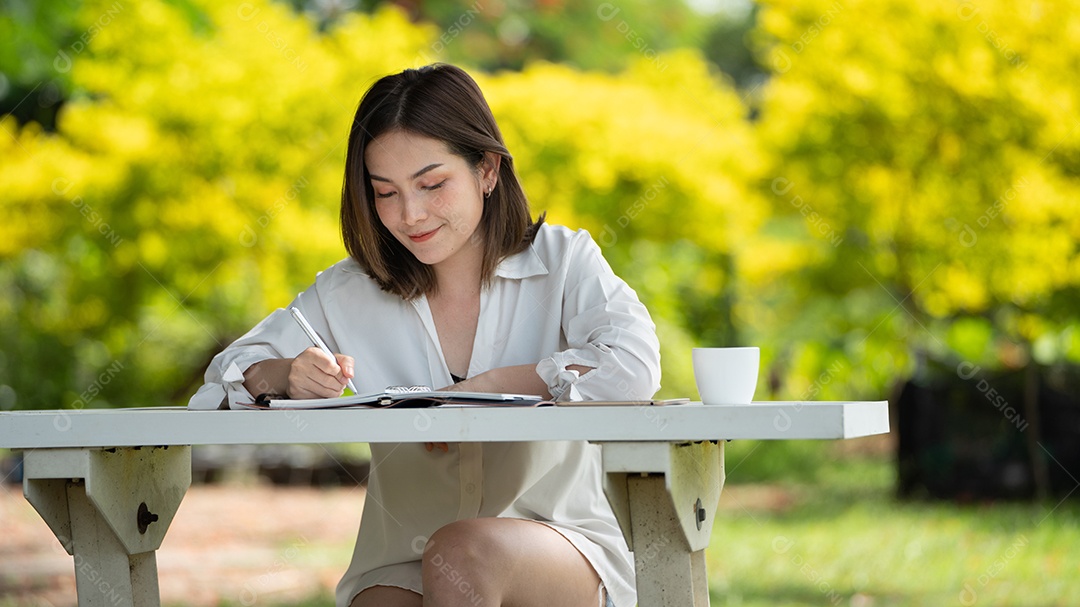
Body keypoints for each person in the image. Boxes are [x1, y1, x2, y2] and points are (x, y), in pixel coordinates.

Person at [189, 63, 661, 607]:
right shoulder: (350, 291)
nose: (409, 214)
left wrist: (493, 389)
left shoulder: (562, 261)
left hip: (558, 547)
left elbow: (633, 365)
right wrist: (285, 375)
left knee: (460, 553)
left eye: (432, 184)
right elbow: (224, 377)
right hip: (399, 560)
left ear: (486, 169)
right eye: (385, 193)